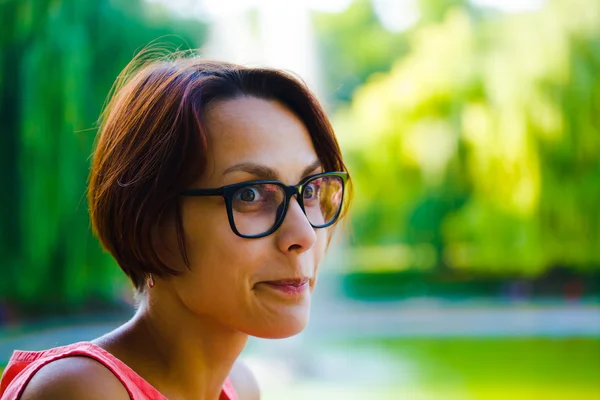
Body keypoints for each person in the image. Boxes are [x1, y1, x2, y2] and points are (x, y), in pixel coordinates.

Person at [0, 52, 351, 400]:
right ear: (151, 223)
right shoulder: (84, 391)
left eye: (312, 189)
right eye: (250, 194)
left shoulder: (239, 388)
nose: (304, 235)